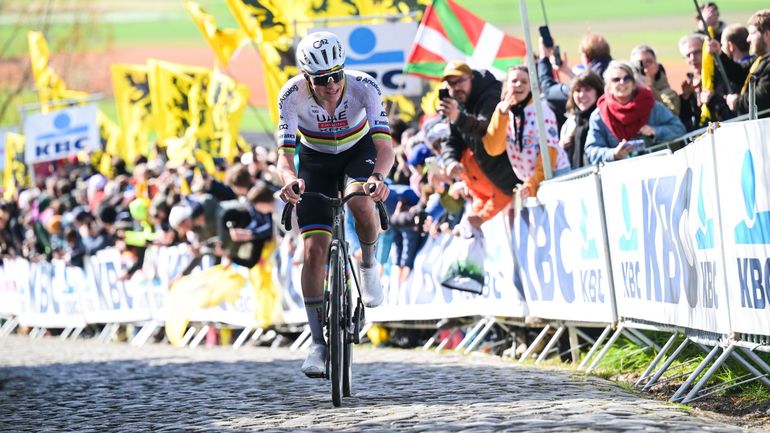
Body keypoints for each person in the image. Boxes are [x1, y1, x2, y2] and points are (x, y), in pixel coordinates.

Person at [275, 31, 394, 377]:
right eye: (322, 79)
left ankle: (369, 266)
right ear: (306, 78)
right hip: (315, 160)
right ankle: (317, 343)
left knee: (360, 202)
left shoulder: (364, 86)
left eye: (337, 75)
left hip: (359, 152)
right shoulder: (290, 95)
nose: (332, 85)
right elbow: (283, 157)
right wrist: (288, 182)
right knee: (313, 250)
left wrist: (380, 179)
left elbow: (385, 148)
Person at [439, 61, 519, 227]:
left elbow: (486, 128)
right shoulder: (457, 104)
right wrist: (450, 162)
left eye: (460, 81)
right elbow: (451, 141)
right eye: (451, 83)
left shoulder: (490, 94)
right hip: (497, 184)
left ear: (472, 78)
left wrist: (458, 117)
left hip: (514, 177)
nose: (455, 88)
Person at [482, 66, 571, 199]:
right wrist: (502, 116)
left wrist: (532, 184)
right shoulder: (502, 111)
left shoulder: (542, 111)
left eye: (524, 82)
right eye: (514, 81)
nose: (519, 85)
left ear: (531, 86)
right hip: (529, 181)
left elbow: (549, 154)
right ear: (506, 85)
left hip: (554, 174)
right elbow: (493, 148)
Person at [584, 61, 686, 164]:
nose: (622, 82)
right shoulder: (600, 114)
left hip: (654, 168)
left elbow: (679, 129)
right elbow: (591, 150)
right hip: (619, 175)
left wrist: (655, 131)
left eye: (627, 78)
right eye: (616, 80)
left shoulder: (651, 106)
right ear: (608, 86)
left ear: (634, 84)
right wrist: (613, 154)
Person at [725, 10, 770, 117]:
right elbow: (739, 72)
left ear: (767, 35)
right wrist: (719, 53)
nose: (748, 39)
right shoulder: (760, 59)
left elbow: (761, 99)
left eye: (752, 33)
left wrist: (737, 102)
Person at [559, 71, 604, 169]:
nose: (582, 95)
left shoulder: (603, 118)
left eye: (587, 89)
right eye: (578, 90)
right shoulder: (570, 122)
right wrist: (561, 147)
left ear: (598, 91)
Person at [630, 45, 680, 115]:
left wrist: (650, 89)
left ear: (657, 66)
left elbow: (672, 114)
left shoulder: (668, 92)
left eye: (649, 62)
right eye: (639, 64)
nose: (645, 66)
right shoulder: (628, 92)